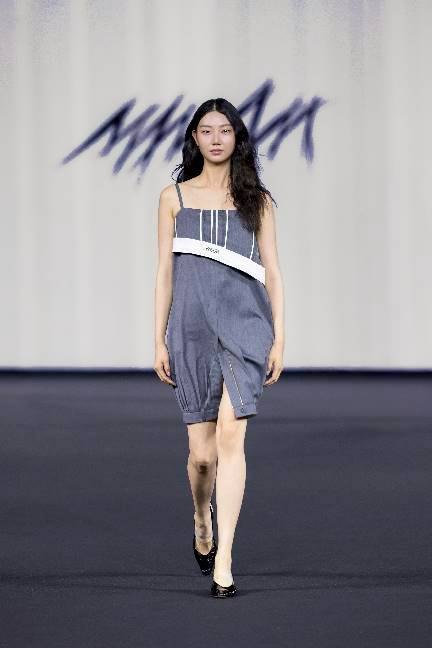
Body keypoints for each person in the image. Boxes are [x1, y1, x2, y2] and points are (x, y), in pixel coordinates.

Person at [154, 98, 284, 598]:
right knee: (202, 457)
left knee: (232, 437)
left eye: (224, 130)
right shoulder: (173, 198)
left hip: (246, 327)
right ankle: (200, 519)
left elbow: (273, 272)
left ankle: (225, 558)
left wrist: (280, 336)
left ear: (237, 138)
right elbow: (165, 273)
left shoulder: (258, 201)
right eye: (206, 130)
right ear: (194, 138)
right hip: (191, 330)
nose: (215, 138)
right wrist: (158, 337)